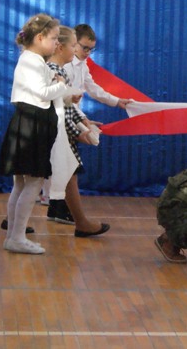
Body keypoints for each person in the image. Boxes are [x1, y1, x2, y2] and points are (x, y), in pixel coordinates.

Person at [0, 14, 79, 254]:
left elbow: (44, 91)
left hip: (31, 122)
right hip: (32, 124)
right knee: (32, 183)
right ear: (40, 37)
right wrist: (61, 84)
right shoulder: (32, 61)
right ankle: (17, 237)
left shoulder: (34, 60)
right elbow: (42, 93)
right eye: (54, 38)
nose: (57, 43)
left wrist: (59, 88)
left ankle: (14, 236)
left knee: (22, 184)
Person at [44, 23, 132, 222]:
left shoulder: (81, 65)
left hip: (69, 119)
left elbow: (93, 89)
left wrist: (117, 101)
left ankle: (56, 208)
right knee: (63, 167)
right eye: (84, 47)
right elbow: (62, 100)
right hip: (61, 120)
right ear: (71, 44)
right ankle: (58, 210)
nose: (87, 53)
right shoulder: (61, 67)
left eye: (91, 49)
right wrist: (82, 122)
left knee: (64, 166)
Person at [46, 26, 110, 238]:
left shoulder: (61, 70)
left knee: (42, 177)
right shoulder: (54, 70)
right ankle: (80, 222)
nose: (76, 51)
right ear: (60, 46)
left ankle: (71, 217)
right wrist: (78, 131)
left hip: (56, 127)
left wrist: (83, 121)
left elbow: (66, 104)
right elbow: (57, 107)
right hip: (49, 128)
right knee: (33, 179)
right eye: (74, 46)